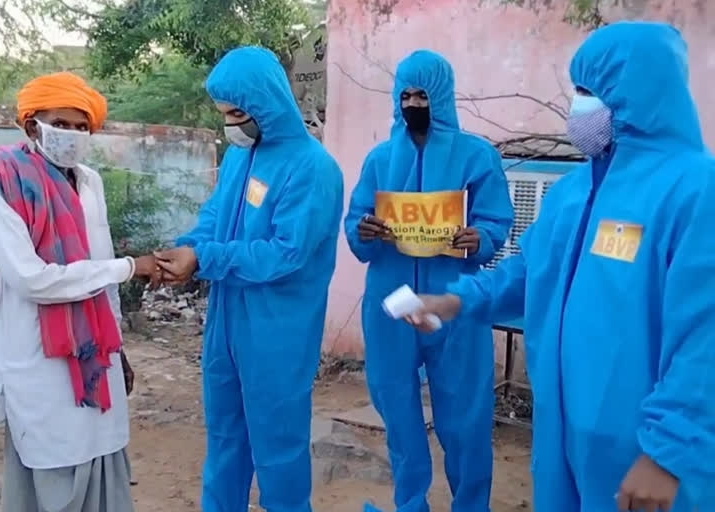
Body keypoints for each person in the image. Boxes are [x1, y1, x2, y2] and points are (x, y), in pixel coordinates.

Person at [406, 22, 715, 512]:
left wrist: (670, 451)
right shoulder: (573, 193)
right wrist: (457, 299)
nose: (579, 104)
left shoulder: (695, 189)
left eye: (591, 91)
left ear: (635, 94)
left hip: (645, 451)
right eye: (578, 90)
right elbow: (528, 272)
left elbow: (705, 336)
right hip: (561, 434)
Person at [155, 46, 344, 512]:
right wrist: (188, 248)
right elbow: (215, 215)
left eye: (238, 113)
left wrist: (203, 259)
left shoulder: (312, 167)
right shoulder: (242, 156)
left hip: (278, 329)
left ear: (269, 101)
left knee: (278, 446)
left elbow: (285, 253)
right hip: (227, 322)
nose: (231, 125)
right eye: (224, 114)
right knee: (225, 438)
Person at [0, 72, 160, 512]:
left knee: (101, 454)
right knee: (51, 462)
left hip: (94, 352)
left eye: (81, 126)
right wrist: (129, 268)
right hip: (38, 355)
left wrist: (117, 349)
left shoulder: (89, 182)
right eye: (61, 124)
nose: (72, 135)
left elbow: (98, 268)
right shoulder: (1, 186)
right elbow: (32, 279)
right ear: (33, 126)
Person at [345, 50, 514, 512]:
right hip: (391, 301)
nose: (414, 104)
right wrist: (364, 231)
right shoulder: (380, 159)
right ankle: (411, 502)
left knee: (465, 417)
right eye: (405, 95)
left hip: (453, 300)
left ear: (441, 97)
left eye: (422, 95)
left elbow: (496, 221)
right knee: (398, 413)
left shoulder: (476, 156)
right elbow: (356, 221)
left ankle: (471, 504)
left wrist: (479, 238)